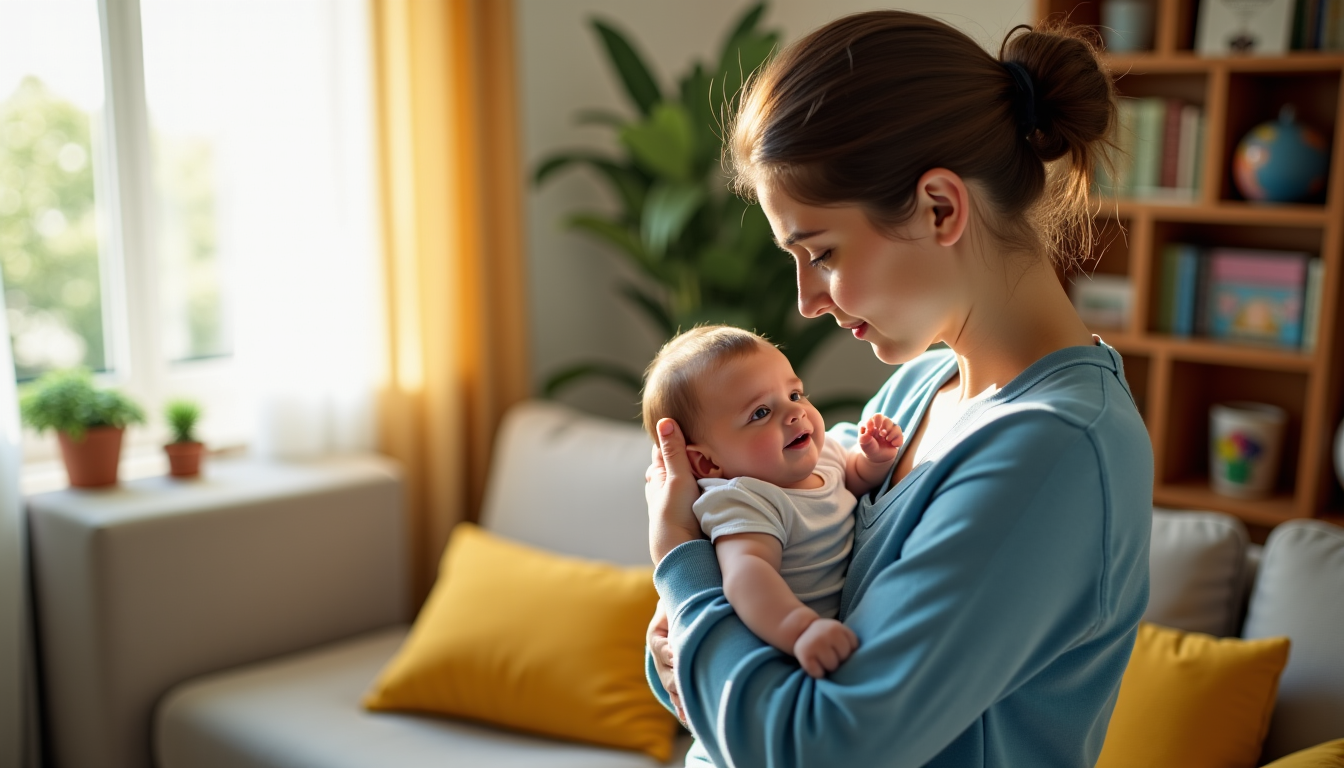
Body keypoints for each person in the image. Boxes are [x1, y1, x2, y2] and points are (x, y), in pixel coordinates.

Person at [643, 10, 1153, 768]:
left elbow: (818, 749)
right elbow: (737, 649)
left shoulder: (1054, 452)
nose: (806, 301)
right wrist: (686, 643)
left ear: (940, 207)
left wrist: (682, 568)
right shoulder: (918, 390)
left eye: (819, 252)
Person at [641, 325, 903, 679]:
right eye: (760, 413)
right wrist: (801, 629)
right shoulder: (745, 500)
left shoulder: (820, 452)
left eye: (794, 394)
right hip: (782, 650)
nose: (795, 413)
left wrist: (874, 459)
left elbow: (852, 482)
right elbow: (748, 575)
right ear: (708, 464)